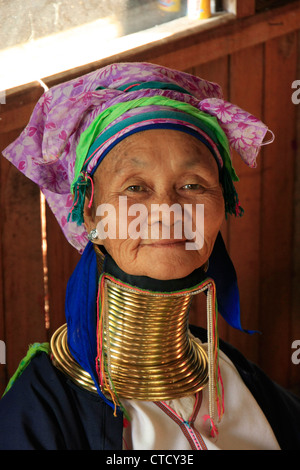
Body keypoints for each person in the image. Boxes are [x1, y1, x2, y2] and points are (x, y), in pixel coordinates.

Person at [0, 62, 299, 450]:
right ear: (89, 212)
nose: (167, 211)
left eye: (193, 185)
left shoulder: (233, 373)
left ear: (224, 203)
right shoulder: (43, 405)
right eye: (136, 187)